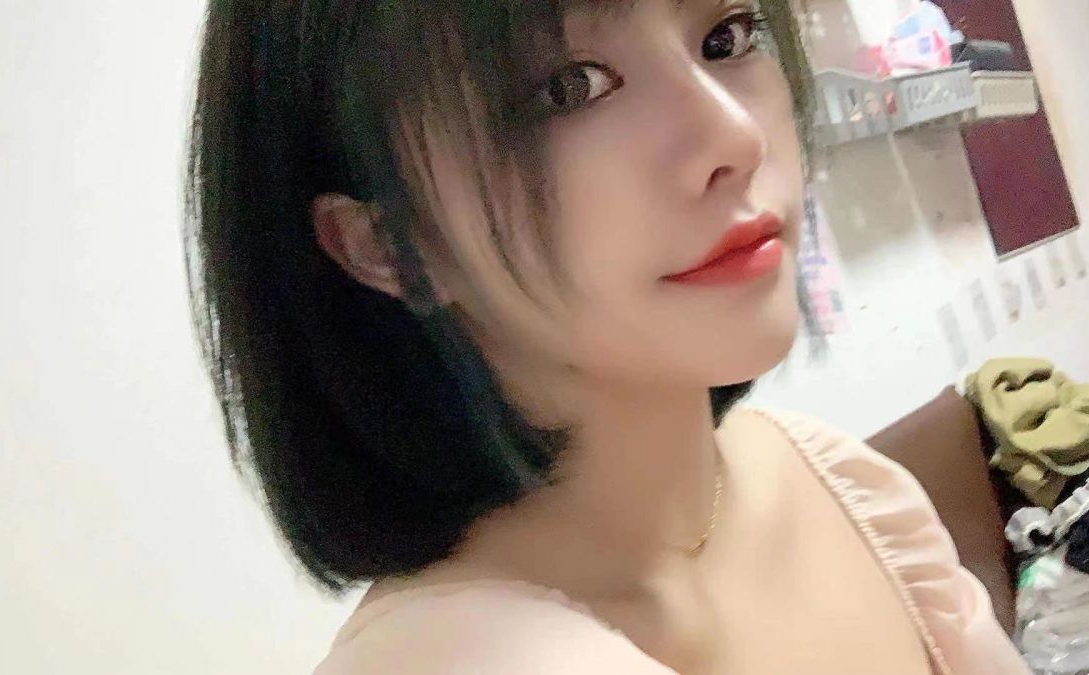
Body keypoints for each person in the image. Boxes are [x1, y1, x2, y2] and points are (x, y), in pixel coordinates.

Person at [184, 0, 1029, 672]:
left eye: (729, 36)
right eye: (569, 88)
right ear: (385, 245)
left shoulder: (842, 485)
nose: (734, 136)